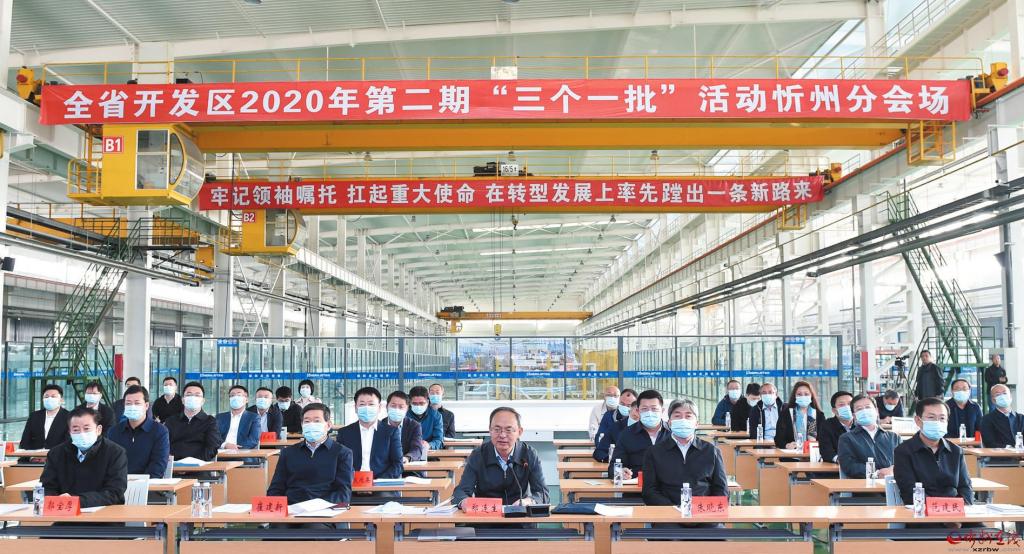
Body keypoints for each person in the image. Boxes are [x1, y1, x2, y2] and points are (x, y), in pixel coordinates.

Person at [453, 406, 549, 509]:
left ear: (519, 432)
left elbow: (542, 493)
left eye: (509, 430)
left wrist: (529, 501)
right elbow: (461, 491)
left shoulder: (529, 454)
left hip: (519, 515)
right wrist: (464, 501)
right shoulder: (478, 455)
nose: (502, 435)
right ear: (490, 430)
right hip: (486, 515)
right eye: (497, 429)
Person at [642, 398, 728, 508]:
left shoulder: (711, 451)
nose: (683, 420)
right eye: (677, 416)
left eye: (688, 416)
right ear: (669, 423)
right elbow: (649, 491)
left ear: (696, 423)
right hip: (668, 512)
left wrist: (703, 509)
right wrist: (673, 509)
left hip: (703, 512)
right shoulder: (654, 452)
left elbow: (721, 490)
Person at [39, 406, 128, 508]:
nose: (82, 433)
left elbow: (115, 492)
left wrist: (78, 501)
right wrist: (58, 500)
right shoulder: (56, 453)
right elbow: (47, 486)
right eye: (76, 430)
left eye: (86, 429)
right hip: (65, 512)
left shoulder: (115, 452)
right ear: (70, 432)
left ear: (98, 430)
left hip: (104, 513)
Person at [267, 403, 353, 506]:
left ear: (328, 425)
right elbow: (275, 489)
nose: (311, 425)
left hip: (324, 509)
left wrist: (315, 506)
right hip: (292, 508)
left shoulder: (342, 453)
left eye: (317, 421)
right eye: (307, 421)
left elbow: (343, 494)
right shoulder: (288, 453)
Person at [893, 397, 973, 507]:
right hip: (922, 511)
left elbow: (966, 488)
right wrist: (939, 511)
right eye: (931, 417)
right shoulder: (904, 451)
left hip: (955, 510)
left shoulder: (955, 451)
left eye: (942, 418)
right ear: (918, 420)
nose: (937, 422)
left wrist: (962, 509)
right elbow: (909, 491)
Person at [337, 386, 403, 479]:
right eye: (362, 404)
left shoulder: (391, 432)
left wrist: (378, 482)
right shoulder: (344, 433)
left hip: (381, 483)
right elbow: (339, 463)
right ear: (355, 408)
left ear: (379, 407)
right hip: (352, 483)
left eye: (371, 404)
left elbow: (398, 465)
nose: (367, 408)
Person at [107, 384, 171, 478]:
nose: (132, 407)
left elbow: (158, 466)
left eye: (137, 403)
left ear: (146, 406)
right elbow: (110, 463)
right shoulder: (114, 432)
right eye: (128, 403)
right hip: (119, 483)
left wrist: (140, 483)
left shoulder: (160, 431)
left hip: (149, 484)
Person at [608, 389, 669, 480]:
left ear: (662, 411)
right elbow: (613, 467)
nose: (649, 413)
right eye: (644, 409)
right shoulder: (626, 434)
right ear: (638, 411)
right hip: (636, 486)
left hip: (668, 487)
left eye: (654, 409)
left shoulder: (672, 434)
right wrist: (621, 471)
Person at [837, 393, 902, 478]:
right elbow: (848, 465)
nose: (864, 411)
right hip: (864, 484)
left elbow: (904, 461)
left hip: (892, 482)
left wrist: (893, 470)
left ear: (876, 411)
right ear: (854, 416)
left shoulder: (894, 437)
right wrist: (876, 473)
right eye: (859, 409)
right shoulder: (847, 438)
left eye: (868, 407)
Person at [164, 381, 222, 461]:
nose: (193, 398)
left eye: (197, 395)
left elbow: (212, 448)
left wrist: (193, 462)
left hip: (200, 465)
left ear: (203, 401)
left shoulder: (210, 421)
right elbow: (163, 444)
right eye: (189, 395)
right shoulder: (171, 421)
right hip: (174, 464)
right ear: (183, 400)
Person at [20, 384, 71, 450]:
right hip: (34, 455)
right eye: (46, 397)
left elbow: (68, 442)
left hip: (58, 455)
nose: (49, 399)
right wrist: (30, 455)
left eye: (53, 396)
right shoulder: (34, 416)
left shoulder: (69, 417)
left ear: (61, 400)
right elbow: (25, 440)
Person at [593, 388, 637, 462]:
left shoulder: (643, 424)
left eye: (629, 405)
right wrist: (612, 459)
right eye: (622, 404)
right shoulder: (613, 423)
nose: (625, 407)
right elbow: (600, 441)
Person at [774, 381, 820, 449]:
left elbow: (825, 438)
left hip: (813, 453)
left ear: (811, 396)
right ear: (795, 396)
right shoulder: (786, 414)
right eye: (799, 394)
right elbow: (778, 439)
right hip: (792, 453)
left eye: (806, 394)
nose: (803, 396)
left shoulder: (819, 415)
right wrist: (787, 445)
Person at [217, 384, 261, 450]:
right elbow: (214, 436)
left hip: (242, 452)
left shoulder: (254, 417)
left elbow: (253, 440)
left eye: (239, 395)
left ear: (246, 400)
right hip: (221, 451)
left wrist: (237, 449)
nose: (235, 397)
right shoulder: (220, 417)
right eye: (232, 395)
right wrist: (225, 445)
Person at [386, 390, 425, 463]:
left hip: (406, 466)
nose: (396, 409)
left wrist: (407, 458)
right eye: (393, 406)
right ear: (387, 406)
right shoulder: (379, 425)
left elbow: (417, 448)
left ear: (407, 409)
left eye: (401, 407)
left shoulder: (414, 426)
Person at [817, 390, 854, 463]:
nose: (847, 407)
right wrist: (838, 459)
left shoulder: (861, 424)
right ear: (834, 410)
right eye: (841, 405)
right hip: (836, 466)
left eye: (850, 404)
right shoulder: (827, 425)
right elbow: (826, 450)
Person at [407, 386, 445, 450]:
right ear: (410, 402)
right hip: (407, 451)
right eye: (415, 403)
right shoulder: (404, 415)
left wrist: (429, 445)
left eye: (421, 403)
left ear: (427, 401)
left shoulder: (436, 416)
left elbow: (439, 440)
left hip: (428, 452)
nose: (418, 406)